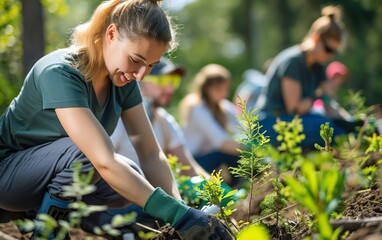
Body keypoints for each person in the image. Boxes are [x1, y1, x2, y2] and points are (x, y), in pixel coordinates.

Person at [0, 0, 233, 239]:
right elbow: (102, 159)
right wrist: (178, 214)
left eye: (151, 65)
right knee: (90, 154)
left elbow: (151, 153)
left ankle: (43, 219)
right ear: (111, 34)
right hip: (6, 176)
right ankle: (48, 234)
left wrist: (183, 214)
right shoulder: (60, 72)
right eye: (136, 59)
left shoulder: (124, 81)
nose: (141, 74)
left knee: (130, 174)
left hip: (43, 177)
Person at [259, 5, 351, 148]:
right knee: (327, 128)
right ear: (316, 38)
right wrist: (316, 95)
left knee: (339, 129)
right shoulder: (293, 62)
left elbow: (329, 102)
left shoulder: (318, 66)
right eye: (328, 49)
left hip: (292, 121)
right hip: (270, 123)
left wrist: (350, 121)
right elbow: (295, 109)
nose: (330, 55)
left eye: (334, 52)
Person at [111, 56, 209, 178]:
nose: (170, 88)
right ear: (141, 80)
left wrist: (223, 193)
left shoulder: (164, 121)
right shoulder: (118, 118)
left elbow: (189, 167)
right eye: (162, 81)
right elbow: (103, 162)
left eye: (173, 81)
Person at [179, 63, 243, 186]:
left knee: (234, 155)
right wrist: (247, 149)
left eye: (226, 89)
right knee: (231, 155)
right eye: (219, 89)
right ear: (207, 88)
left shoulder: (223, 106)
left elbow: (241, 129)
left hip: (211, 156)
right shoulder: (198, 108)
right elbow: (221, 142)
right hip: (193, 160)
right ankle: (236, 190)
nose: (224, 94)